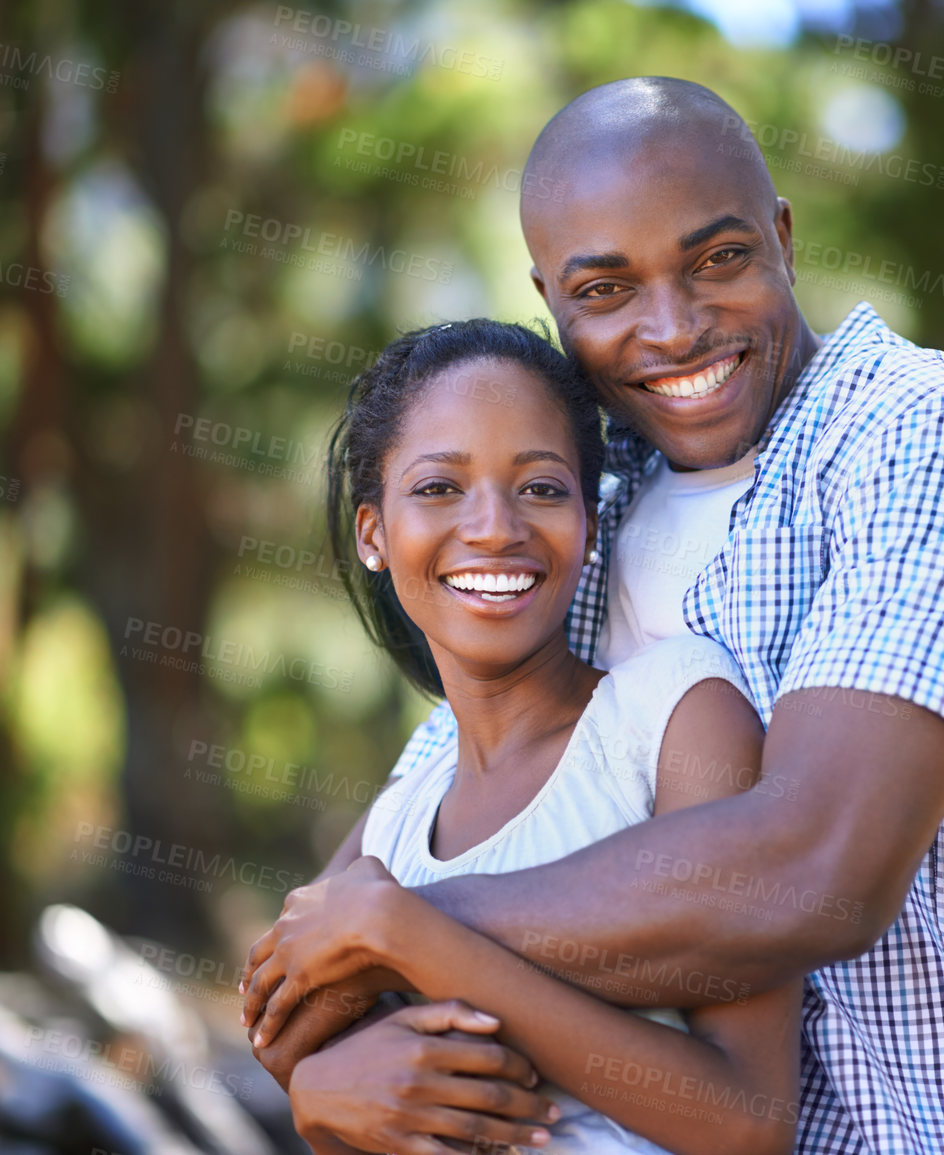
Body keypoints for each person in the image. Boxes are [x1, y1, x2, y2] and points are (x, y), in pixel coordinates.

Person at [245, 76, 944, 1154]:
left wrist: (407, 936)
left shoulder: (922, 443)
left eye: (718, 260)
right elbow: (323, 940)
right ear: (552, 299)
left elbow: (816, 869)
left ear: (783, 238)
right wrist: (321, 1078)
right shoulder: (582, 511)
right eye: (606, 290)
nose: (674, 327)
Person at [273, 317, 803, 1155]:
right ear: (373, 531)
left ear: (589, 525)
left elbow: (749, 1122)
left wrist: (414, 937)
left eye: (542, 488)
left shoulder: (672, 717)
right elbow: (281, 1032)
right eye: (439, 488)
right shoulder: (400, 818)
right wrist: (317, 1095)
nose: (493, 527)